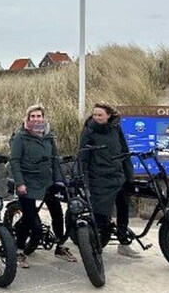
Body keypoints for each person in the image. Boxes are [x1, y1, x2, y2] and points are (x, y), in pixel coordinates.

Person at [9, 104, 76, 268]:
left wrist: (59, 181)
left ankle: (60, 246)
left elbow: (55, 159)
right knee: (28, 218)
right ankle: (19, 250)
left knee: (57, 213)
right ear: (27, 118)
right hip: (28, 181)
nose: (36, 119)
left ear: (43, 117)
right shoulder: (20, 137)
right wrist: (20, 183)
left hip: (47, 181)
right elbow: (15, 161)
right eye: (32, 116)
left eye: (38, 116)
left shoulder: (48, 136)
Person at [79, 102, 141, 258]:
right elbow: (83, 158)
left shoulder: (116, 128)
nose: (96, 117)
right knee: (100, 215)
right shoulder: (89, 131)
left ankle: (124, 243)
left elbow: (125, 152)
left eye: (100, 115)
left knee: (123, 209)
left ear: (109, 115)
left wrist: (129, 176)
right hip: (99, 178)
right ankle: (94, 248)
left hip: (118, 177)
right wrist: (84, 180)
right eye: (94, 114)